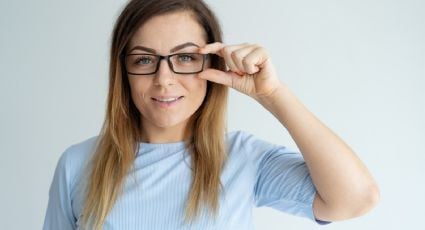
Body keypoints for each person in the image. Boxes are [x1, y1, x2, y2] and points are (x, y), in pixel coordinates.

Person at [43, 0, 380, 229]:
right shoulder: (77, 164)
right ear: (124, 70)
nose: (164, 80)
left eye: (186, 58)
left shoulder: (243, 159)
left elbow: (357, 199)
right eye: (144, 59)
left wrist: (273, 95)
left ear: (213, 64)